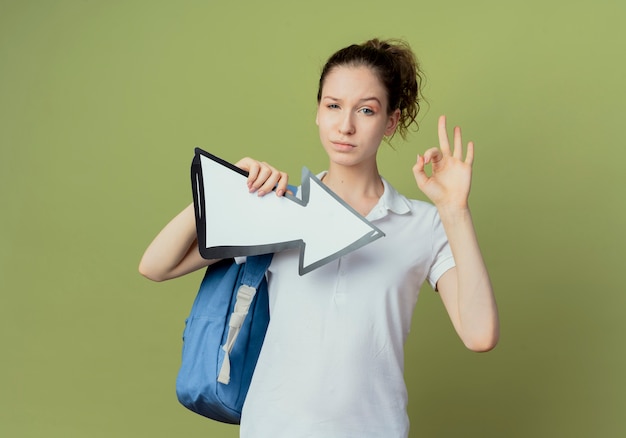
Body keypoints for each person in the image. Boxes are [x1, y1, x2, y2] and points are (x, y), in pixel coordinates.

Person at [139, 38, 499, 438]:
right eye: (333, 106)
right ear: (318, 112)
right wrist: (227, 187)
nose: (345, 125)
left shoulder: (422, 224)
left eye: (366, 110)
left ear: (391, 122)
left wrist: (455, 211)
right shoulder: (276, 207)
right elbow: (156, 265)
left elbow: (479, 333)